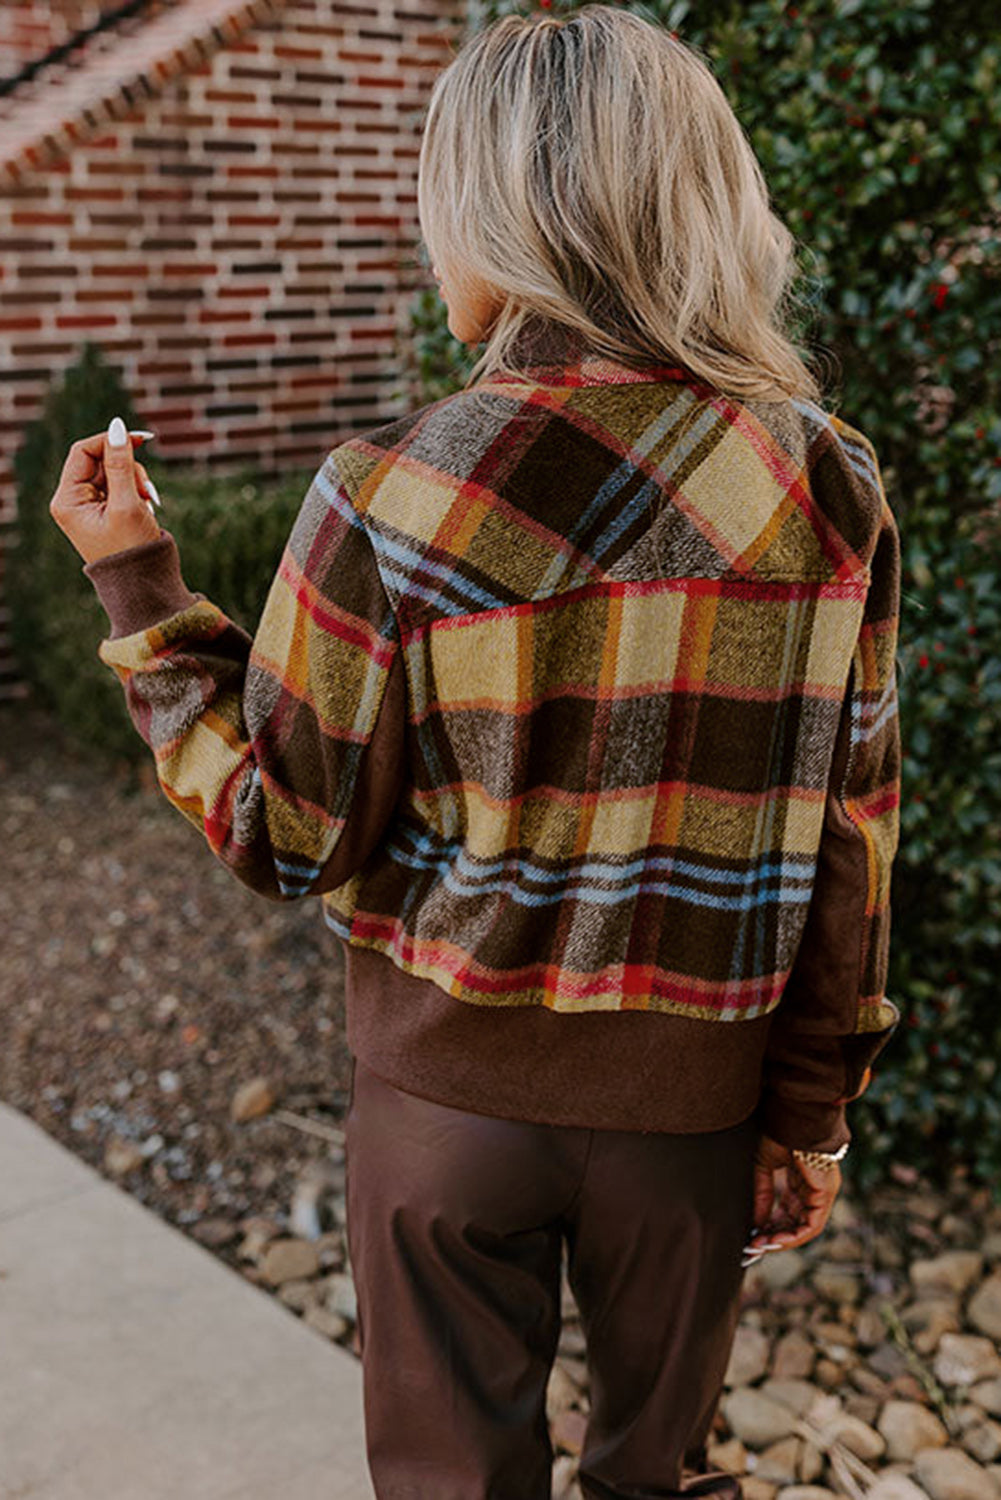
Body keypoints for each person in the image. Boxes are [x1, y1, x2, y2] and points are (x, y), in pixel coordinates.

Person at [49, 6, 903, 1497]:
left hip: (445, 1119)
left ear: (506, 218)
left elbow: (285, 831)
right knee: (657, 1479)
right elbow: (853, 836)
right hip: (692, 1115)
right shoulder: (829, 486)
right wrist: (811, 1115)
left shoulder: (388, 491)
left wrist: (142, 590)